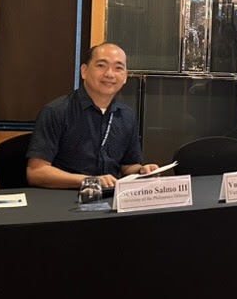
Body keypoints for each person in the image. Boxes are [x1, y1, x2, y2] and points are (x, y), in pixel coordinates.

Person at [26, 42, 158, 189]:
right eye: (101, 65)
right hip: (66, 196)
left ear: (125, 77)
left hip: (109, 197)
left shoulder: (127, 115)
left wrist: (142, 171)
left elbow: (128, 166)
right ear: (84, 71)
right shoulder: (56, 111)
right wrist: (89, 180)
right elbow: (36, 172)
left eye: (118, 68)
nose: (109, 74)